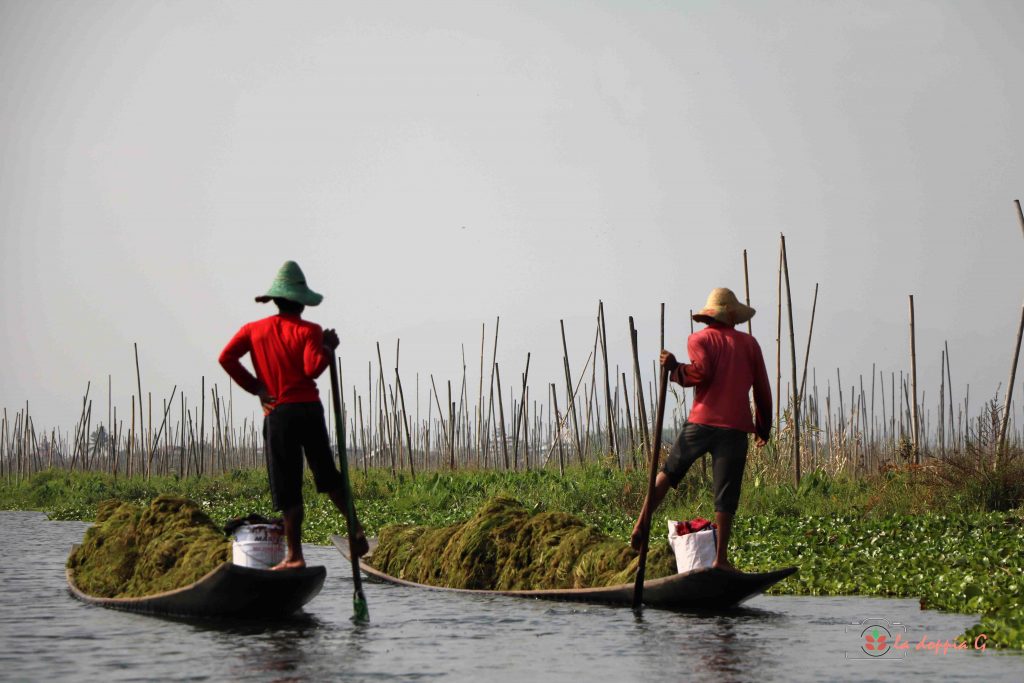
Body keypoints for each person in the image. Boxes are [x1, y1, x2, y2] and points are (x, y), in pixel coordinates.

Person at [219, 260, 368, 570]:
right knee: (327, 476)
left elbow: (226, 357)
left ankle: (295, 556)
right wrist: (327, 348)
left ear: (276, 301)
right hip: (309, 411)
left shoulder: (253, 330)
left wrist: (256, 388)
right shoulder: (310, 331)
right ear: (301, 303)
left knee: (288, 484)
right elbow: (313, 368)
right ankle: (355, 528)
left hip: (279, 413)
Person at [630, 287, 772, 572]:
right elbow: (762, 389)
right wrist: (763, 426)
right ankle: (720, 560)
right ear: (731, 317)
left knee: (669, 472)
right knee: (726, 494)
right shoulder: (750, 344)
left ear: (709, 317)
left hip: (701, 423)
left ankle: (642, 522)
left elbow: (699, 373)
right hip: (734, 427)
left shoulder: (698, 339)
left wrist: (674, 368)